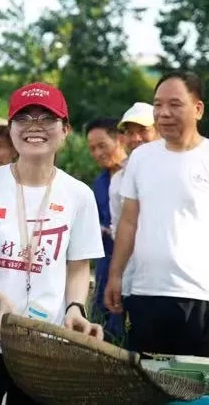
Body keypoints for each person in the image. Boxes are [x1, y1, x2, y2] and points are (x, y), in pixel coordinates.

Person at [0, 82, 104, 405]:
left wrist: (75, 308)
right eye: (23, 118)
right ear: (11, 130)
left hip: (43, 343)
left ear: (65, 130)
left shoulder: (79, 195)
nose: (34, 126)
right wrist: (1, 300)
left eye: (46, 118)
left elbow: (77, 267)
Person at [105, 71, 209, 357]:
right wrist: (116, 275)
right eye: (158, 104)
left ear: (197, 109)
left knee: (197, 389)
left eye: (175, 104)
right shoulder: (141, 158)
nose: (163, 113)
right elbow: (128, 222)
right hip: (146, 292)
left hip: (199, 295)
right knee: (148, 384)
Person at [107, 102, 159, 320]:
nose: (135, 138)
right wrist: (117, 277)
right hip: (136, 281)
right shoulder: (118, 180)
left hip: (181, 284)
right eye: (129, 132)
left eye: (143, 130)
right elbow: (119, 229)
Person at [84, 118, 127, 342]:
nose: (98, 153)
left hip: (131, 262)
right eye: (92, 149)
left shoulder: (135, 173)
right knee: (102, 320)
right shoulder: (99, 182)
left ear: (120, 139)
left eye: (102, 145)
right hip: (105, 260)